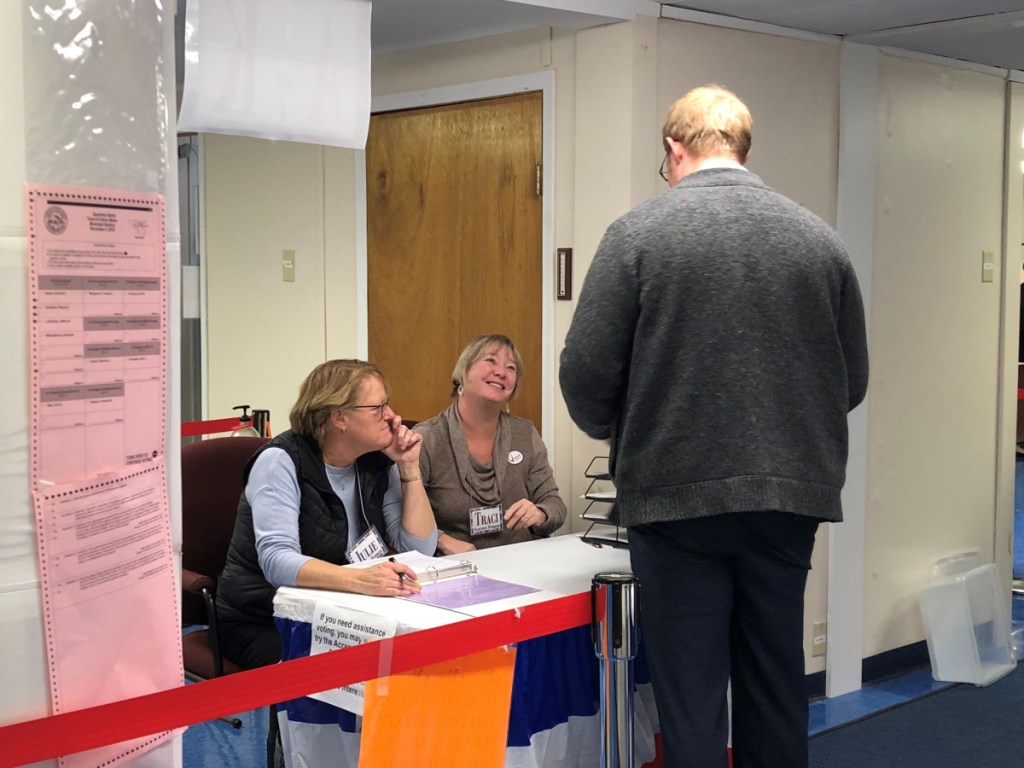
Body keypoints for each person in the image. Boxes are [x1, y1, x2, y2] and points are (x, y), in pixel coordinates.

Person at [558, 85, 869, 768]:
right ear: (742, 148)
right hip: (789, 496)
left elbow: (585, 375)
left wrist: (622, 427)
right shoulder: (821, 242)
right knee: (775, 682)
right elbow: (852, 382)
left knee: (691, 696)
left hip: (674, 495)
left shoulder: (637, 236)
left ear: (675, 149)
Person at [216, 359, 438, 670]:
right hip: (263, 619)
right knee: (359, 672)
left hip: (341, 611)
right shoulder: (280, 461)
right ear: (339, 418)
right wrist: (359, 579)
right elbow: (276, 560)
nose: (393, 417)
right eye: (378, 408)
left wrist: (409, 467)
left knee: (416, 659)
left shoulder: (376, 460)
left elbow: (419, 549)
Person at [414, 334, 567, 554]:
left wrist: (540, 513)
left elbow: (555, 505)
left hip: (520, 562)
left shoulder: (524, 433)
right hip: (453, 568)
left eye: (511, 368)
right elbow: (401, 516)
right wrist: (441, 540)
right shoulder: (428, 438)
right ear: (464, 371)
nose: (501, 372)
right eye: (491, 360)